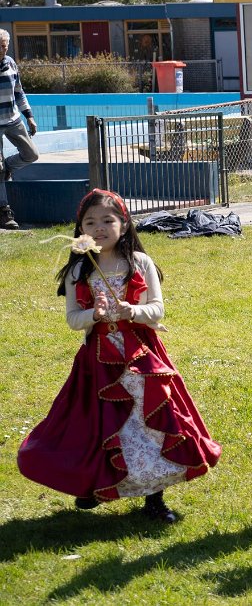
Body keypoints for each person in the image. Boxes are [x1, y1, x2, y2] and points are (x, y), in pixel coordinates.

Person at [17, 189, 220, 521]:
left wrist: (132, 311)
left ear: (124, 225)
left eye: (107, 220)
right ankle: (95, 483)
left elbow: (157, 310)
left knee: (148, 421)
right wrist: (94, 316)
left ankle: (155, 497)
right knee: (95, 424)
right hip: (97, 363)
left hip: (141, 358)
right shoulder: (78, 271)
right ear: (80, 229)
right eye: (90, 222)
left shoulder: (140, 263)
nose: (99, 228)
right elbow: (73, 319)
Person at [0, 28, 40, 230]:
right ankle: (4, 212)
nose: (2, 49)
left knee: (31, 154)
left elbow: (19, 92)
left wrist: (29, 117)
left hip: (13, 119)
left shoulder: (10, 63)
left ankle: (7, 166)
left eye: (5, 46)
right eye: (0, 46)